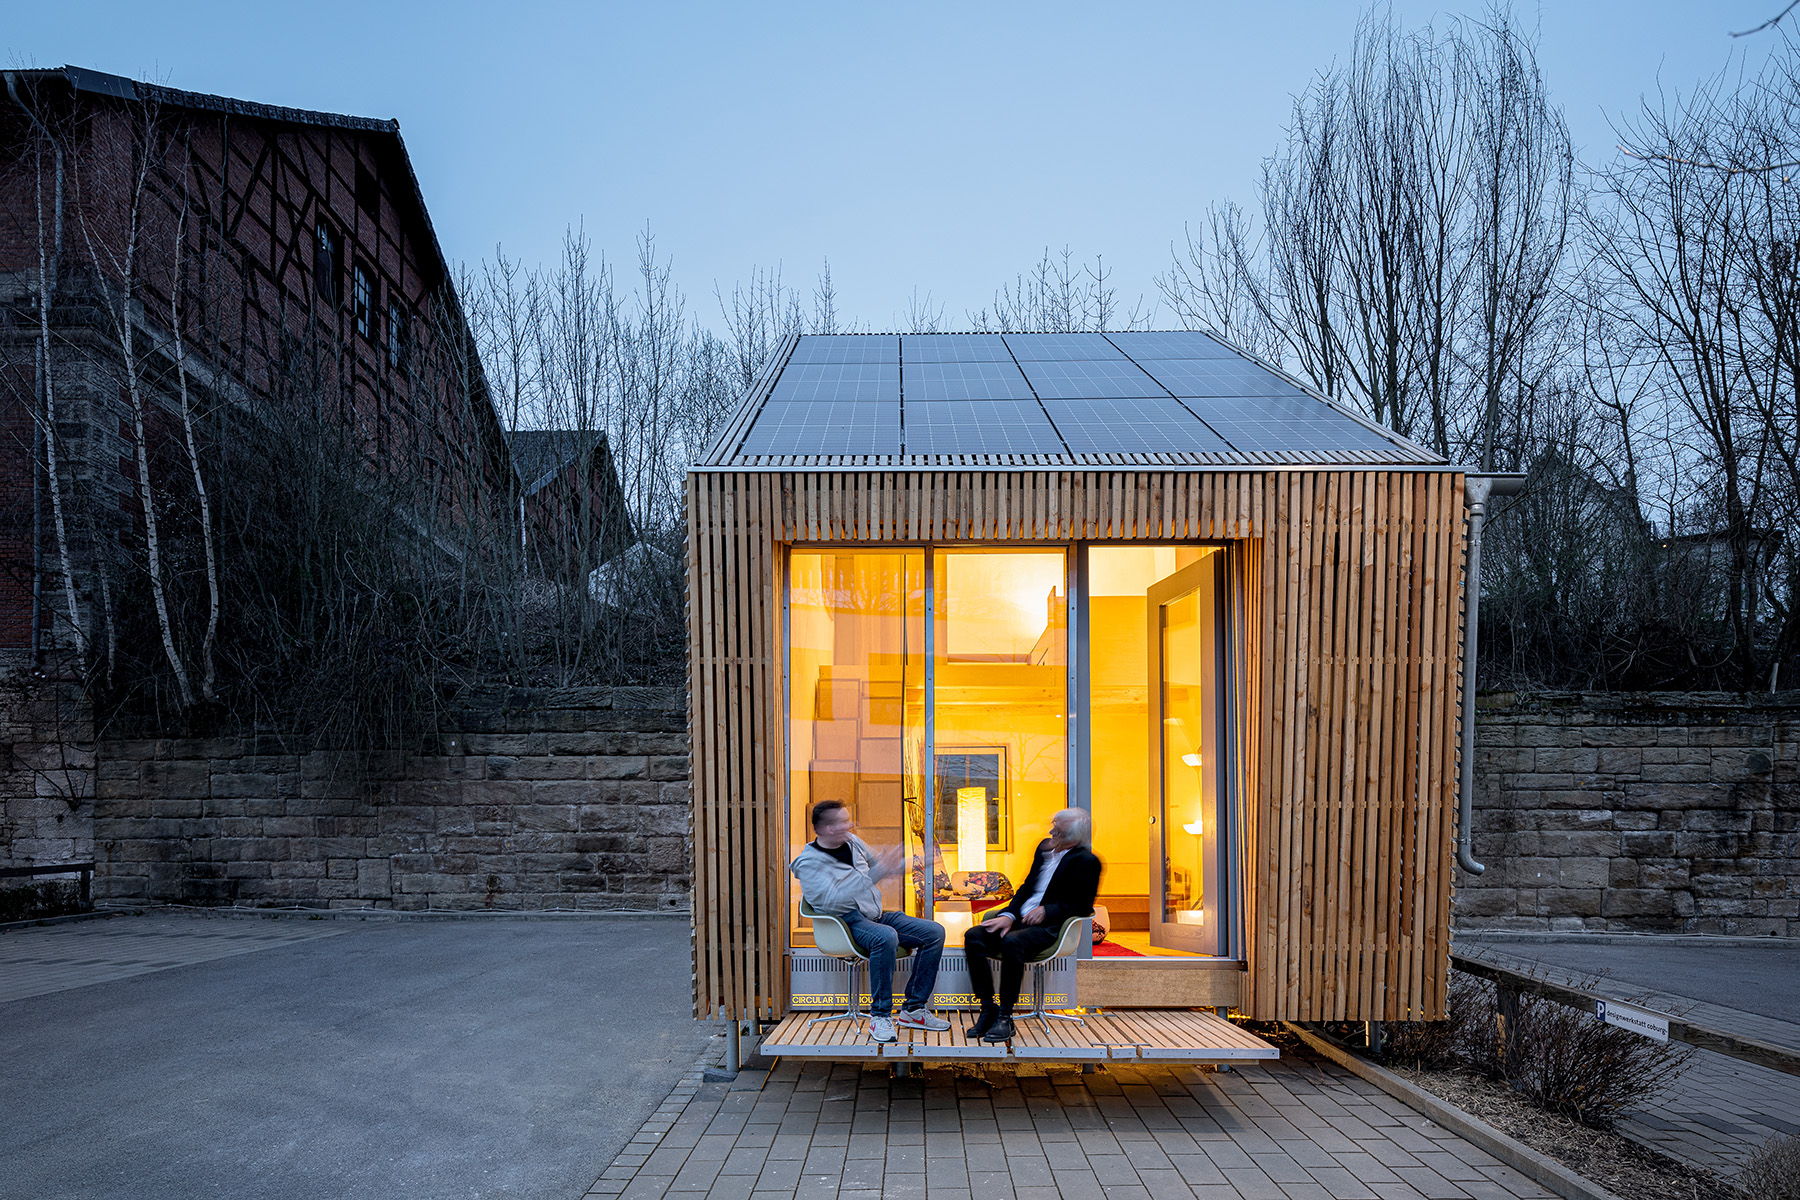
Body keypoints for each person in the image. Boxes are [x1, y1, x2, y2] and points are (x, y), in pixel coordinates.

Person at [789, 799, 951, 1044]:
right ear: (828, 829)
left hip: (872, 914)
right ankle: (880, 1016)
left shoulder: (852, 842)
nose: (851, 824)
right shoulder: (809, 863)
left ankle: (914, 1010)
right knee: (885, 936)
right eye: (844, 821)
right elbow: (833, 899)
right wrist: (878, 871)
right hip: (844, 922)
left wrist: (918, 862)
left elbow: (882, 866)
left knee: (933, 932)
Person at [962, 807, 1102, 1043]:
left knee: (1012, 942)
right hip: (1021, 921)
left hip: (1051, 928)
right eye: (1053, 826)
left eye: (1058, 830)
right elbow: (1026, 888)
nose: (1051, 832)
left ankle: (1005, 1017)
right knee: (974, 936)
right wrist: (1009, 915)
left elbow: (1082, 904)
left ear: (1074, 838)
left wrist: (1048, 910)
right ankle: (989, 1009)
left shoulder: (1087, 862)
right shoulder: (1044, 849)